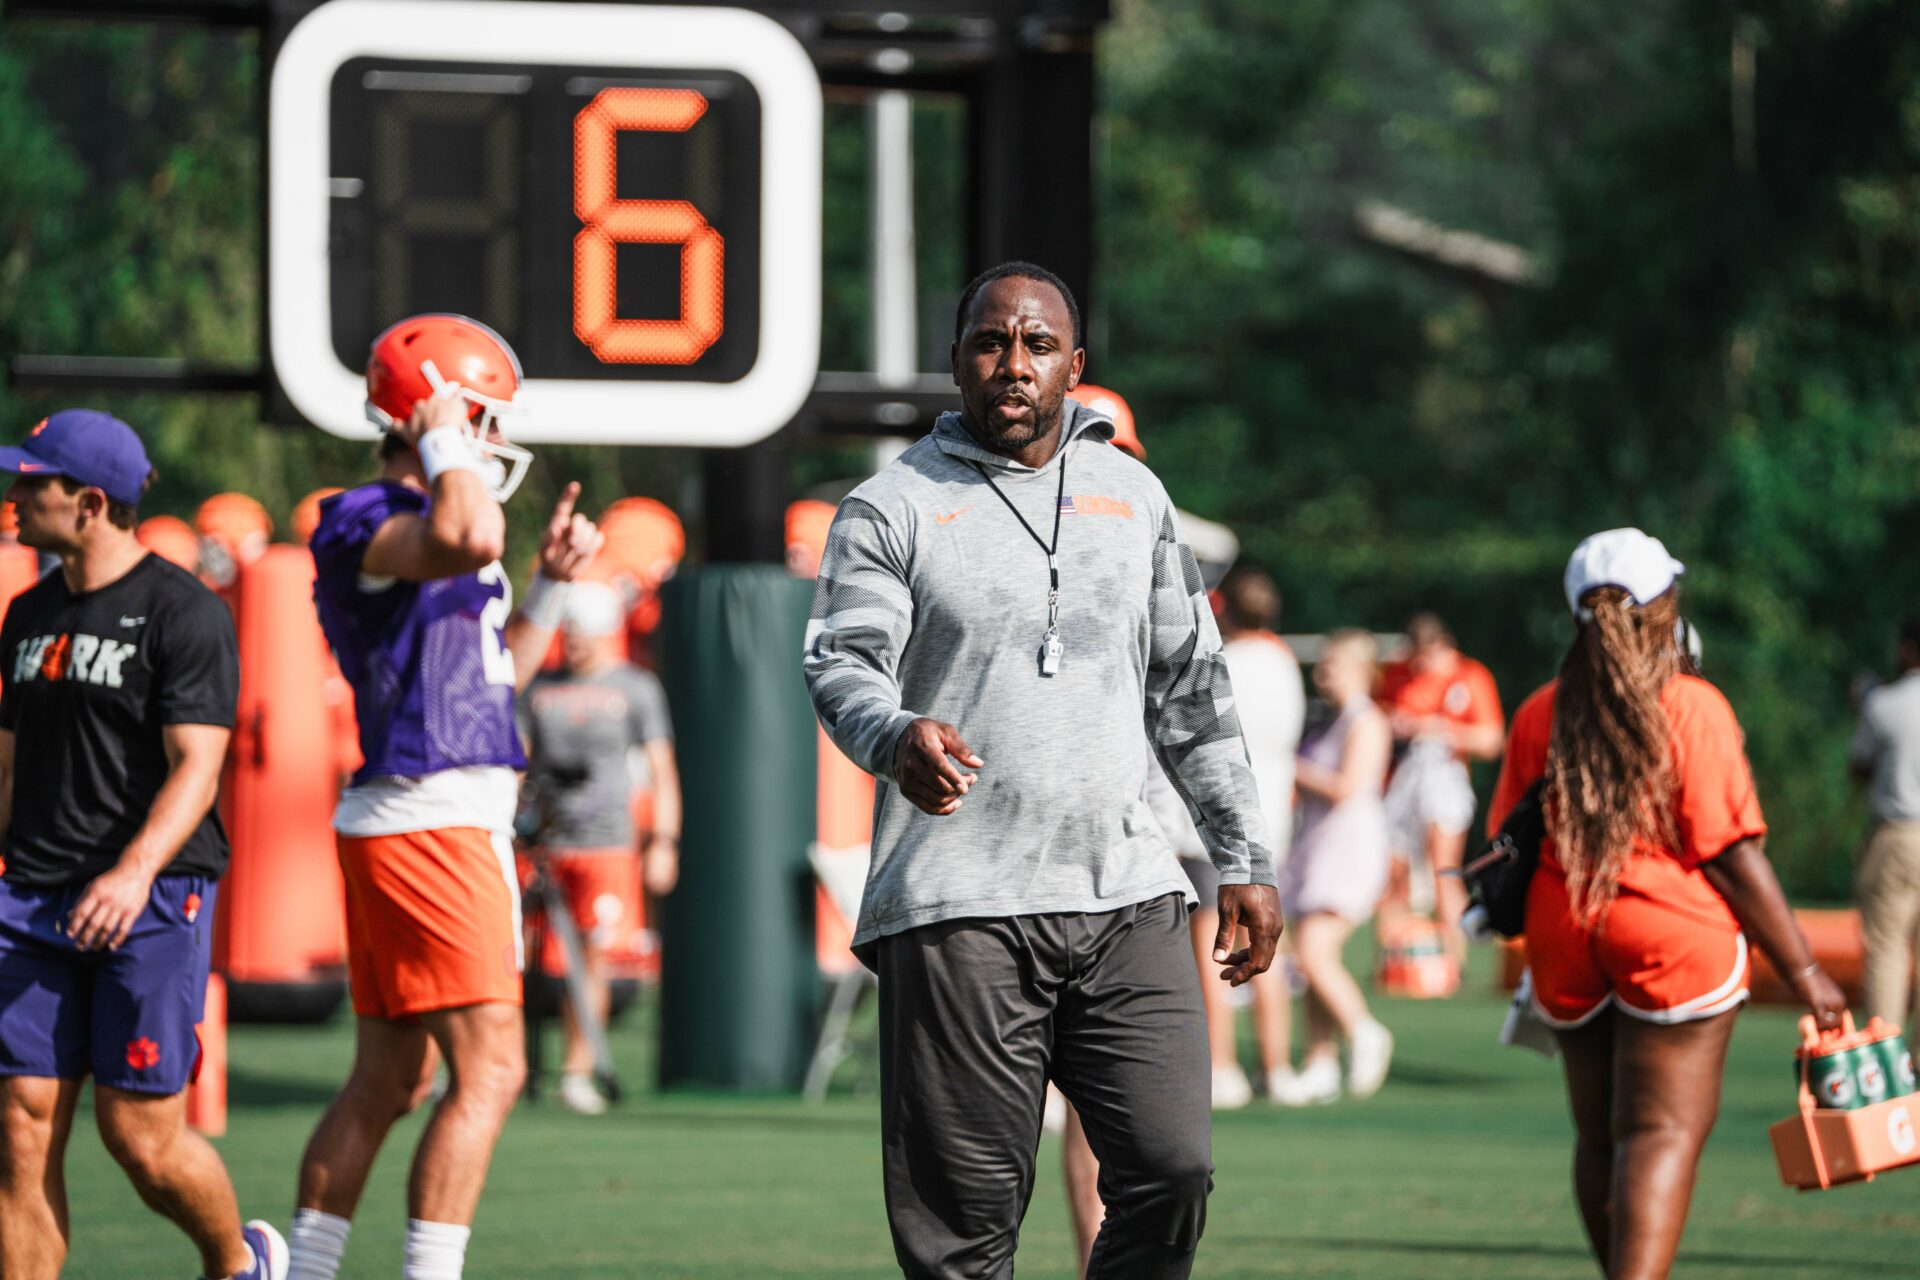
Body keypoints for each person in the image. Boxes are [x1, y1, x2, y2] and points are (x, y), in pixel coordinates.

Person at [804, 261, 1279, 1280]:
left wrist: (1245, 856)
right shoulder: (890, 505)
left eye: (1037, 344)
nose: (1013, 364)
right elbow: (842, 664)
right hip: (959, 903)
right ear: (957, 360)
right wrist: (895, 735)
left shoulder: (1136, 496)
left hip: (1127, 892)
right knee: (966, 1233)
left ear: (1073, 363)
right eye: (991, 342)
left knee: (1173, 1168)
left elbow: (1192, 688)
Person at [287, 314, 602, 1280]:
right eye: (482, 419)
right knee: (494, 1068)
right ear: (440, 411)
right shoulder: (369, 514)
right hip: (432, 816)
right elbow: (465, 530)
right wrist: (443, 441)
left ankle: (306, 1270)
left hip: (427, 811)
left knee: (392, 1076)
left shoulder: (445, 529)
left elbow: (490, 681)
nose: (493, 441)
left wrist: (549, 588)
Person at [1488, 528, 1846, 1280]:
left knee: (1599, 1137)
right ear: (1665, 607)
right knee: (1659, 1133)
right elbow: (1730, 854)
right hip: (1672, 934)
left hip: (1565, 930)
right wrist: (1807, 972)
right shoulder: (1692, 705)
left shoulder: (1541, 709)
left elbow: (1504, 838)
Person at [0, 409, 286, 1279]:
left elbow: (199, 767)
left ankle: (237, 1263)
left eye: (33, 482)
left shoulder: (182, 611)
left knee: (139, 1137)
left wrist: (130, 874)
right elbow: (7, 764)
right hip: (33, 895)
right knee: (20, 1124)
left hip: (150, 895)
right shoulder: (27, 612)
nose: (15, 495)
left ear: (90, 503)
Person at [517, 580, 680, 1115]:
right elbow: (517, 762)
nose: (574, 641)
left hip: (606, 843)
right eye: (568, 631)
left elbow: (662, 770)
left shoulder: (635, 687)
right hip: (542, 844)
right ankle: (503, 1066)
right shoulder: (540, 686)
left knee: (591, 958)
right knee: (513, 954)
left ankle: (577, 1071)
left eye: (582, 631)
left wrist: (663, 842)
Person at [1276, 629, 1395, 1104]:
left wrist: (1285, 765)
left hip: (1347, 848)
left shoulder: (1367, 720)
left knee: (1313, 953)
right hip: (1317, 845)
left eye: (1334, 664)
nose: (1323, 672)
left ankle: (1363, 1030)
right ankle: (1319, 1062)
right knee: (1311, 957)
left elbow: (1346, 787)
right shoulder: (1331, 720)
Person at [1378, 613, 1503, 964]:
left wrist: (1438, 728)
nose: (1419, 664)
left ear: (1443, 646)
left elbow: (1491, 740)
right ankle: (1392, 960)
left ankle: (1453, 960)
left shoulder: (1470, 675)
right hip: (1403, 780)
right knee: (1394, 872)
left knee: (1442, 870)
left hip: (1445, 778)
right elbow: (1376, 715)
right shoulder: (1397, 674)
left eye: (1426, 655)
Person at [1849, 614, 1920, 1028]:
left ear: (1908, 648)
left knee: (1888, 949)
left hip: (1898, 834)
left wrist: (1865, 707)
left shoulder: (1885, 705)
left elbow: (1859, 767)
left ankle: (1885, 1050)